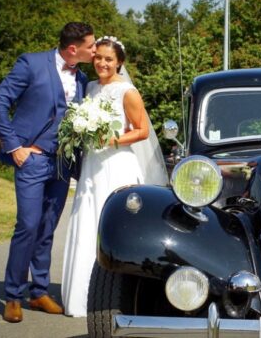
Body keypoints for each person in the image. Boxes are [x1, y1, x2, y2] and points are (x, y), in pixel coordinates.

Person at [0, 22, 96, 323]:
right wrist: (14, 147)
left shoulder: (83, 77)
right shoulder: (31, 63)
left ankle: (39, 292)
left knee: (47, 228)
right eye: (91, 45)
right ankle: (12, 295)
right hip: (31, 160)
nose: (95, 50)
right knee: (28, 225)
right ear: (74, 48)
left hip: (61, 163)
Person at [61, 35, 168, 317]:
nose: (102, 63)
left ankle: (116, 296)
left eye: (109, 59)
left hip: (117, 163)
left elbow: (142, 130)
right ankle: (80, 298)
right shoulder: (90, 87)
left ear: (119, 62)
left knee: (113, 225)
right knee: (87, 222)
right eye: (98, 58)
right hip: (92, 167)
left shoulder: (127, 91)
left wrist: (112, 140)